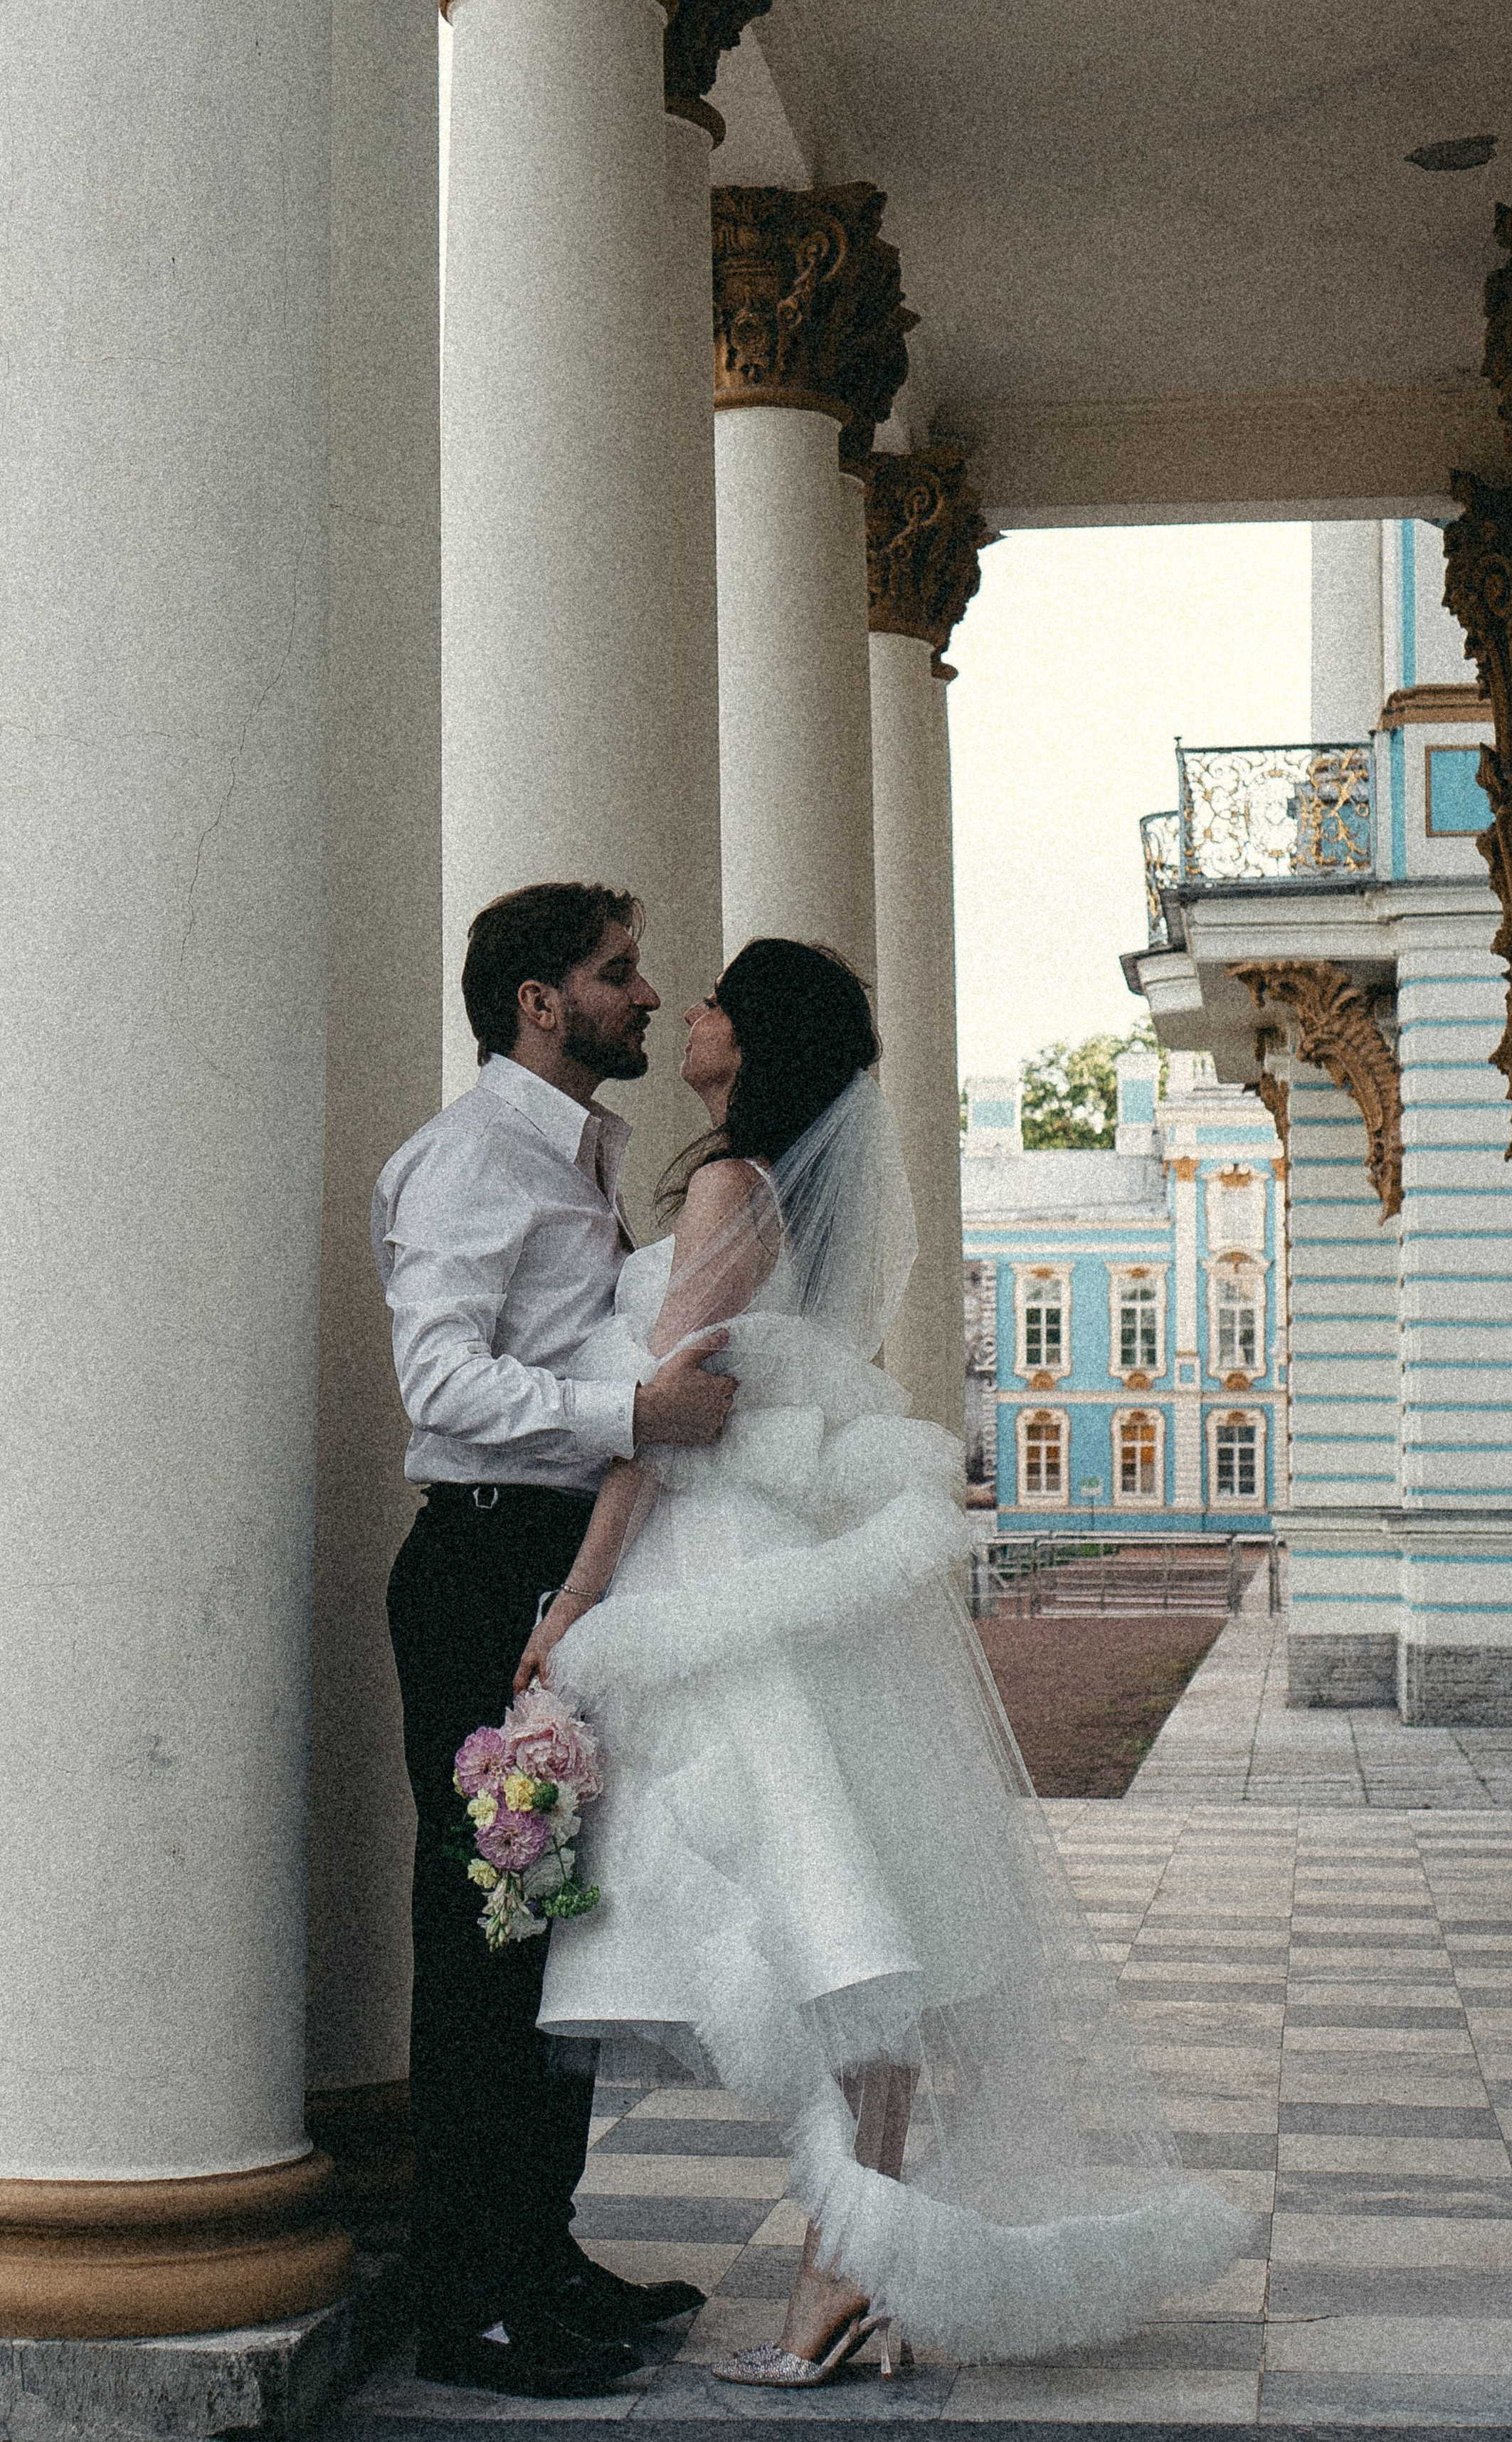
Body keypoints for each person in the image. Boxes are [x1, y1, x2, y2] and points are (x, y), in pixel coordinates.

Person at [523, 938, 1247, 2383]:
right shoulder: (795, 1191)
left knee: (818, 1916)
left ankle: (844, 2265)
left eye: (716, 1002)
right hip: (786, 1565)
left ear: (758, 1040)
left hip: (718, 1568)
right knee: (857, 1924)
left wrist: (577, 1604)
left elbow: (669, 1417)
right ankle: (848, 2267)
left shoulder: (735, 1184)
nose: (690, 1015)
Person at [373, 882, 738, 2399]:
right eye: (616, 973)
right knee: (483, 1945)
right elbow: (436, 1381)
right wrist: (628, 1415)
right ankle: (470, 2305)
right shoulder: (473, 1160)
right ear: (538, 1001)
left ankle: (538, 2252)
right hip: (481, 1572)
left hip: (553, 1570)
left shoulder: (576, 1152)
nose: (646, 995)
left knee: (545, 1931)